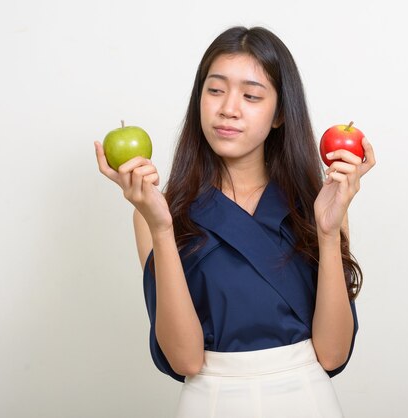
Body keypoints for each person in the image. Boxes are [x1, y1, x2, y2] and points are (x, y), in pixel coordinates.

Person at [94, 25, 375, 418]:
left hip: (306, 402)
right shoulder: (160, 212)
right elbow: (185, 360)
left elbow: (332, 354)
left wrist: (329, 232)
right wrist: (160, 226)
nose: (229, 108)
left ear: (279, 115)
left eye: (251, 95)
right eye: (215, 90)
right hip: (209, 403)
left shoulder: (321, 206)